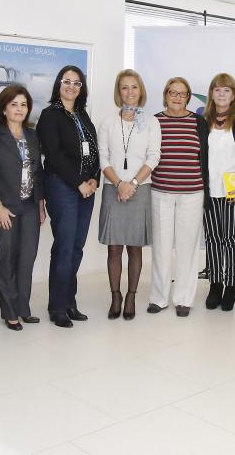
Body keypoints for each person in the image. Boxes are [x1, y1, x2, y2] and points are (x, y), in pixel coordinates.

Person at [36, 65, 100, 328]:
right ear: (58, 85)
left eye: (77, 83)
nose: (71, 86)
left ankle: (70, 302)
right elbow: (53, 155)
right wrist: (78, 183)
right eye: (67, 81)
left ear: (81, 88)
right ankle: (57, 307)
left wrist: (95, 178)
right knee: (64, 247)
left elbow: (94, 151)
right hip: (62, 187)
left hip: (87, 188)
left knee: (76, 247)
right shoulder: (50, 115)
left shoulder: (83, 115)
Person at [0, 86, 46, 331]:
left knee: (27, 259)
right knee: (7, 259)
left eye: (23, 105)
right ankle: (10, 313)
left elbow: (38, 172)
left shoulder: (32, 135)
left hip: (30, 206)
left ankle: (23, 308)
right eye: (14, 104)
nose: (19, 109)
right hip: (4, 207)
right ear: (4, 108)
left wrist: (41, 204)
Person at [97, 70, 161, 320]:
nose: (130, 92)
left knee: (135, 248)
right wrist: (119, 183)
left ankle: (131, 296)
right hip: (113, 187)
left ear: (140, 90)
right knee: (114, 248)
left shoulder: (151, 123)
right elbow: (103, 157)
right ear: (118, 92)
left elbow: (153, 157)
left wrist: (132, 183)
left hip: (140, 188)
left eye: (134, 87)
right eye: (125, 87)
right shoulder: (108, 122)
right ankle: (116, 296)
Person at [148, 78, 209, 317]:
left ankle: (184, 299)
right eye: (173, 93)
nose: (177, 97)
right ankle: (159, 298)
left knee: (187, 248)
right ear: (165, 95)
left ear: (188, 98)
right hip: (160, 192)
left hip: (192, 193)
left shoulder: (198, 121)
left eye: (182, 94)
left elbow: (205, 157)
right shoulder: (154, 121)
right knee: (161, 247)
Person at [203, 73, 235, 311]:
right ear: (211, 94)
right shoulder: (203, 120)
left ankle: (231, 285)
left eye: (227, 90)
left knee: (231, 239)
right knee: (213, 239)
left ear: (234, 95)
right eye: (217, 90)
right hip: (209, 190)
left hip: (234, 191)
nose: (222, 94)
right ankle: (215, 284)